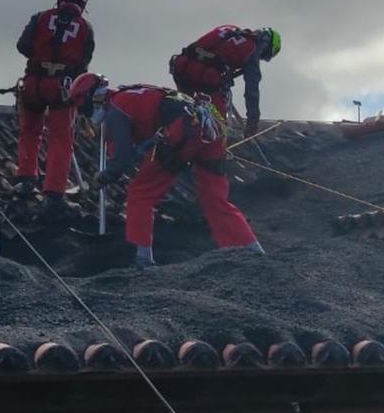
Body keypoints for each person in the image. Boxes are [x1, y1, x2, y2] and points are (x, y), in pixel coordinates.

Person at [69, 73, 264, 268]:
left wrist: (103, 177)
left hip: (182, 131)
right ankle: (253, 250)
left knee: (141, 194)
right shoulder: (130, 94)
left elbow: (122, 159)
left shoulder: (116, 110)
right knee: (215, 199)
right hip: (208, 125)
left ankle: (143, 258)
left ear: (90, 99)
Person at [12, 0, 96, 218]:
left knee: (30, 131)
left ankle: (26, 179)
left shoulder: (40, 18)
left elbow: (23, 46)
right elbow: (84, 61)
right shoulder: (85, 28)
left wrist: (42, 54)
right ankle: (54, 193)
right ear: (83, 3)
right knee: (61, 139)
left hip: (34, 82)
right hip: (62, 87)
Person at [168, 25, 280, 137]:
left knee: (185, 110)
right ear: (266, 44)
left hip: (181, 66)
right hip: (206, 76)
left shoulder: (230, 29)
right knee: (217, 126)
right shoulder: (252, 49)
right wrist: (252, 124)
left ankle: (171, 135)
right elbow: (252, 91)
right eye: (264, 55)